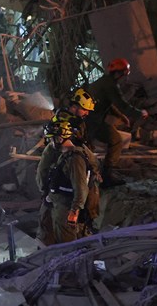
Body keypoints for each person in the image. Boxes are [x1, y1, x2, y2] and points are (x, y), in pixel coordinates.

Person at [85, 58, 148, 186]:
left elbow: (110, 103)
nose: (126, 78)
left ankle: (94, 175)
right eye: (125, 75)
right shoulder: (111, 85)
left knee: (87, 149)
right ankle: (106, 175)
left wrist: (121, 116)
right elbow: (122, 104)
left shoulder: (104, 82)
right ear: (120, 73)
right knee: (115, 140)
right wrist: (140, 113)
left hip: (89, 120)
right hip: (92, 122)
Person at [47, 120, 98, 244]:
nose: (50, 142)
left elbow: (81, 187)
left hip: (67, 209)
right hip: (62, 205)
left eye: (51, 139)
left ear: (59, 138)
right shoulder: (66, 156)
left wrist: (74, 211)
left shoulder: (75, 159)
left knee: (68, 245)